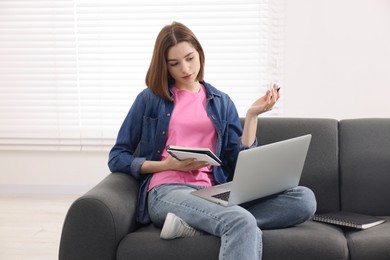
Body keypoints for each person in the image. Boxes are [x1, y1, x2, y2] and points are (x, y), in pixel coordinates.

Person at [108, 21, 316, 260]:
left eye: (190, 58)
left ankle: (199, 227)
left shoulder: (221, 101)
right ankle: (219, 222)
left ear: (200, 53)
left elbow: (236, 162)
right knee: (241, 221)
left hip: (212, 192)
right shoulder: (150, 99)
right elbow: (117, 157)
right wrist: (166, 165)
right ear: (164, 66)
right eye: (174, 64)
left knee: (303, 200)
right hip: (168, 191)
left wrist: (252, 116)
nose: (185, 68)